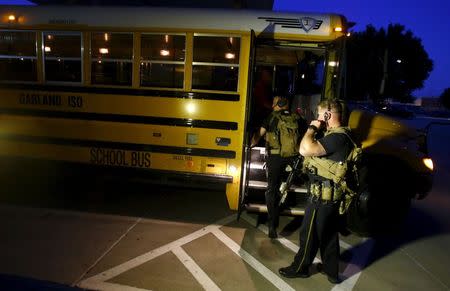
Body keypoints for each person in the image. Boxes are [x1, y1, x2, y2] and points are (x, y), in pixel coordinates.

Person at [278, 99, 353, 284]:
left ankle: (300, 268)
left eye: (319, 115)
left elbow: (304, 149)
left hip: (321, 198)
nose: (317, 118)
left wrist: (311, 128)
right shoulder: (339, 135)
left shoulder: (337, 137)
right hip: (329, 197)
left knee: (309, 234)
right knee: (328, 235)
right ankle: (332, 272)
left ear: (327, 115)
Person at [251, 95, 306, 239]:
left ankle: (272, 225)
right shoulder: (297, 118)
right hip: (294, 158)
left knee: (271, 190)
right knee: (293, 184)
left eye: (274, 103)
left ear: (277, 104)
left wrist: (249, 145)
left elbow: (259, 135)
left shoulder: (271, 117)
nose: (272, 106)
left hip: (275, 158)